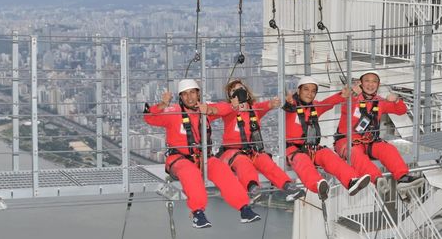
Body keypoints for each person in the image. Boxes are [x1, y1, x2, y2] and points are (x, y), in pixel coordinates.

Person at [144, 78, 260, 228]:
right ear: (180, 97)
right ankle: (198, 212)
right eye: (185, 94)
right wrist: (162, 105)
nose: (189, 97)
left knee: (222, 170)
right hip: (179, 159)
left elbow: (226, 108)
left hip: (203, 157)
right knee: (190, 172)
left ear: (198, 94)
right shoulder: (173, 112)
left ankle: (244, 208)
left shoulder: (204, 111)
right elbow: (149, 118)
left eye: (192, 92)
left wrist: (210, 110)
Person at [334, 70, 423, 196]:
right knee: (355, 153)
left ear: (378, 84)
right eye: (367, 81)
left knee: (388, 149)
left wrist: (396, 100)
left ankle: (402, 177)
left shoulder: (379, 102)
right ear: (360, 83)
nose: (370, 85)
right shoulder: (351, 99)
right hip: (347, 141)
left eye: (374, 81)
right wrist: (353, 94)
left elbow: (400, 110)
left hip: (370, 141)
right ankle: (377, 179)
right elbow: (346, 107)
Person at [214, 78, 305, 201]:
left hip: (253, 151)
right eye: (234, 90)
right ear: (230, 97)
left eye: (241, 88)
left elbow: (267, 105)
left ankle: (287, 185)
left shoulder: (254, 109)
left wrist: (275, 102)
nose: (238, 92)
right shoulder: (229, 111)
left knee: (266, 162)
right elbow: (217, 109)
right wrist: (230, 106)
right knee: (243, 163)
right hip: (232, 151)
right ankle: (253, 187)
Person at [283, 76, 370, 200]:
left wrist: (343, 94)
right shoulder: (290, 108)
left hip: (312, 149)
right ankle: (317, 185)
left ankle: (351, 180)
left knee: (329, 156)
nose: (310, 93)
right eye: (306, 89)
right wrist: (287, 101)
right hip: (293, 151)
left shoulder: (315, 108)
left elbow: (328, 103)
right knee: (303, 161)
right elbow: (286, 106)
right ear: (299, 91)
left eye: (313, 91)